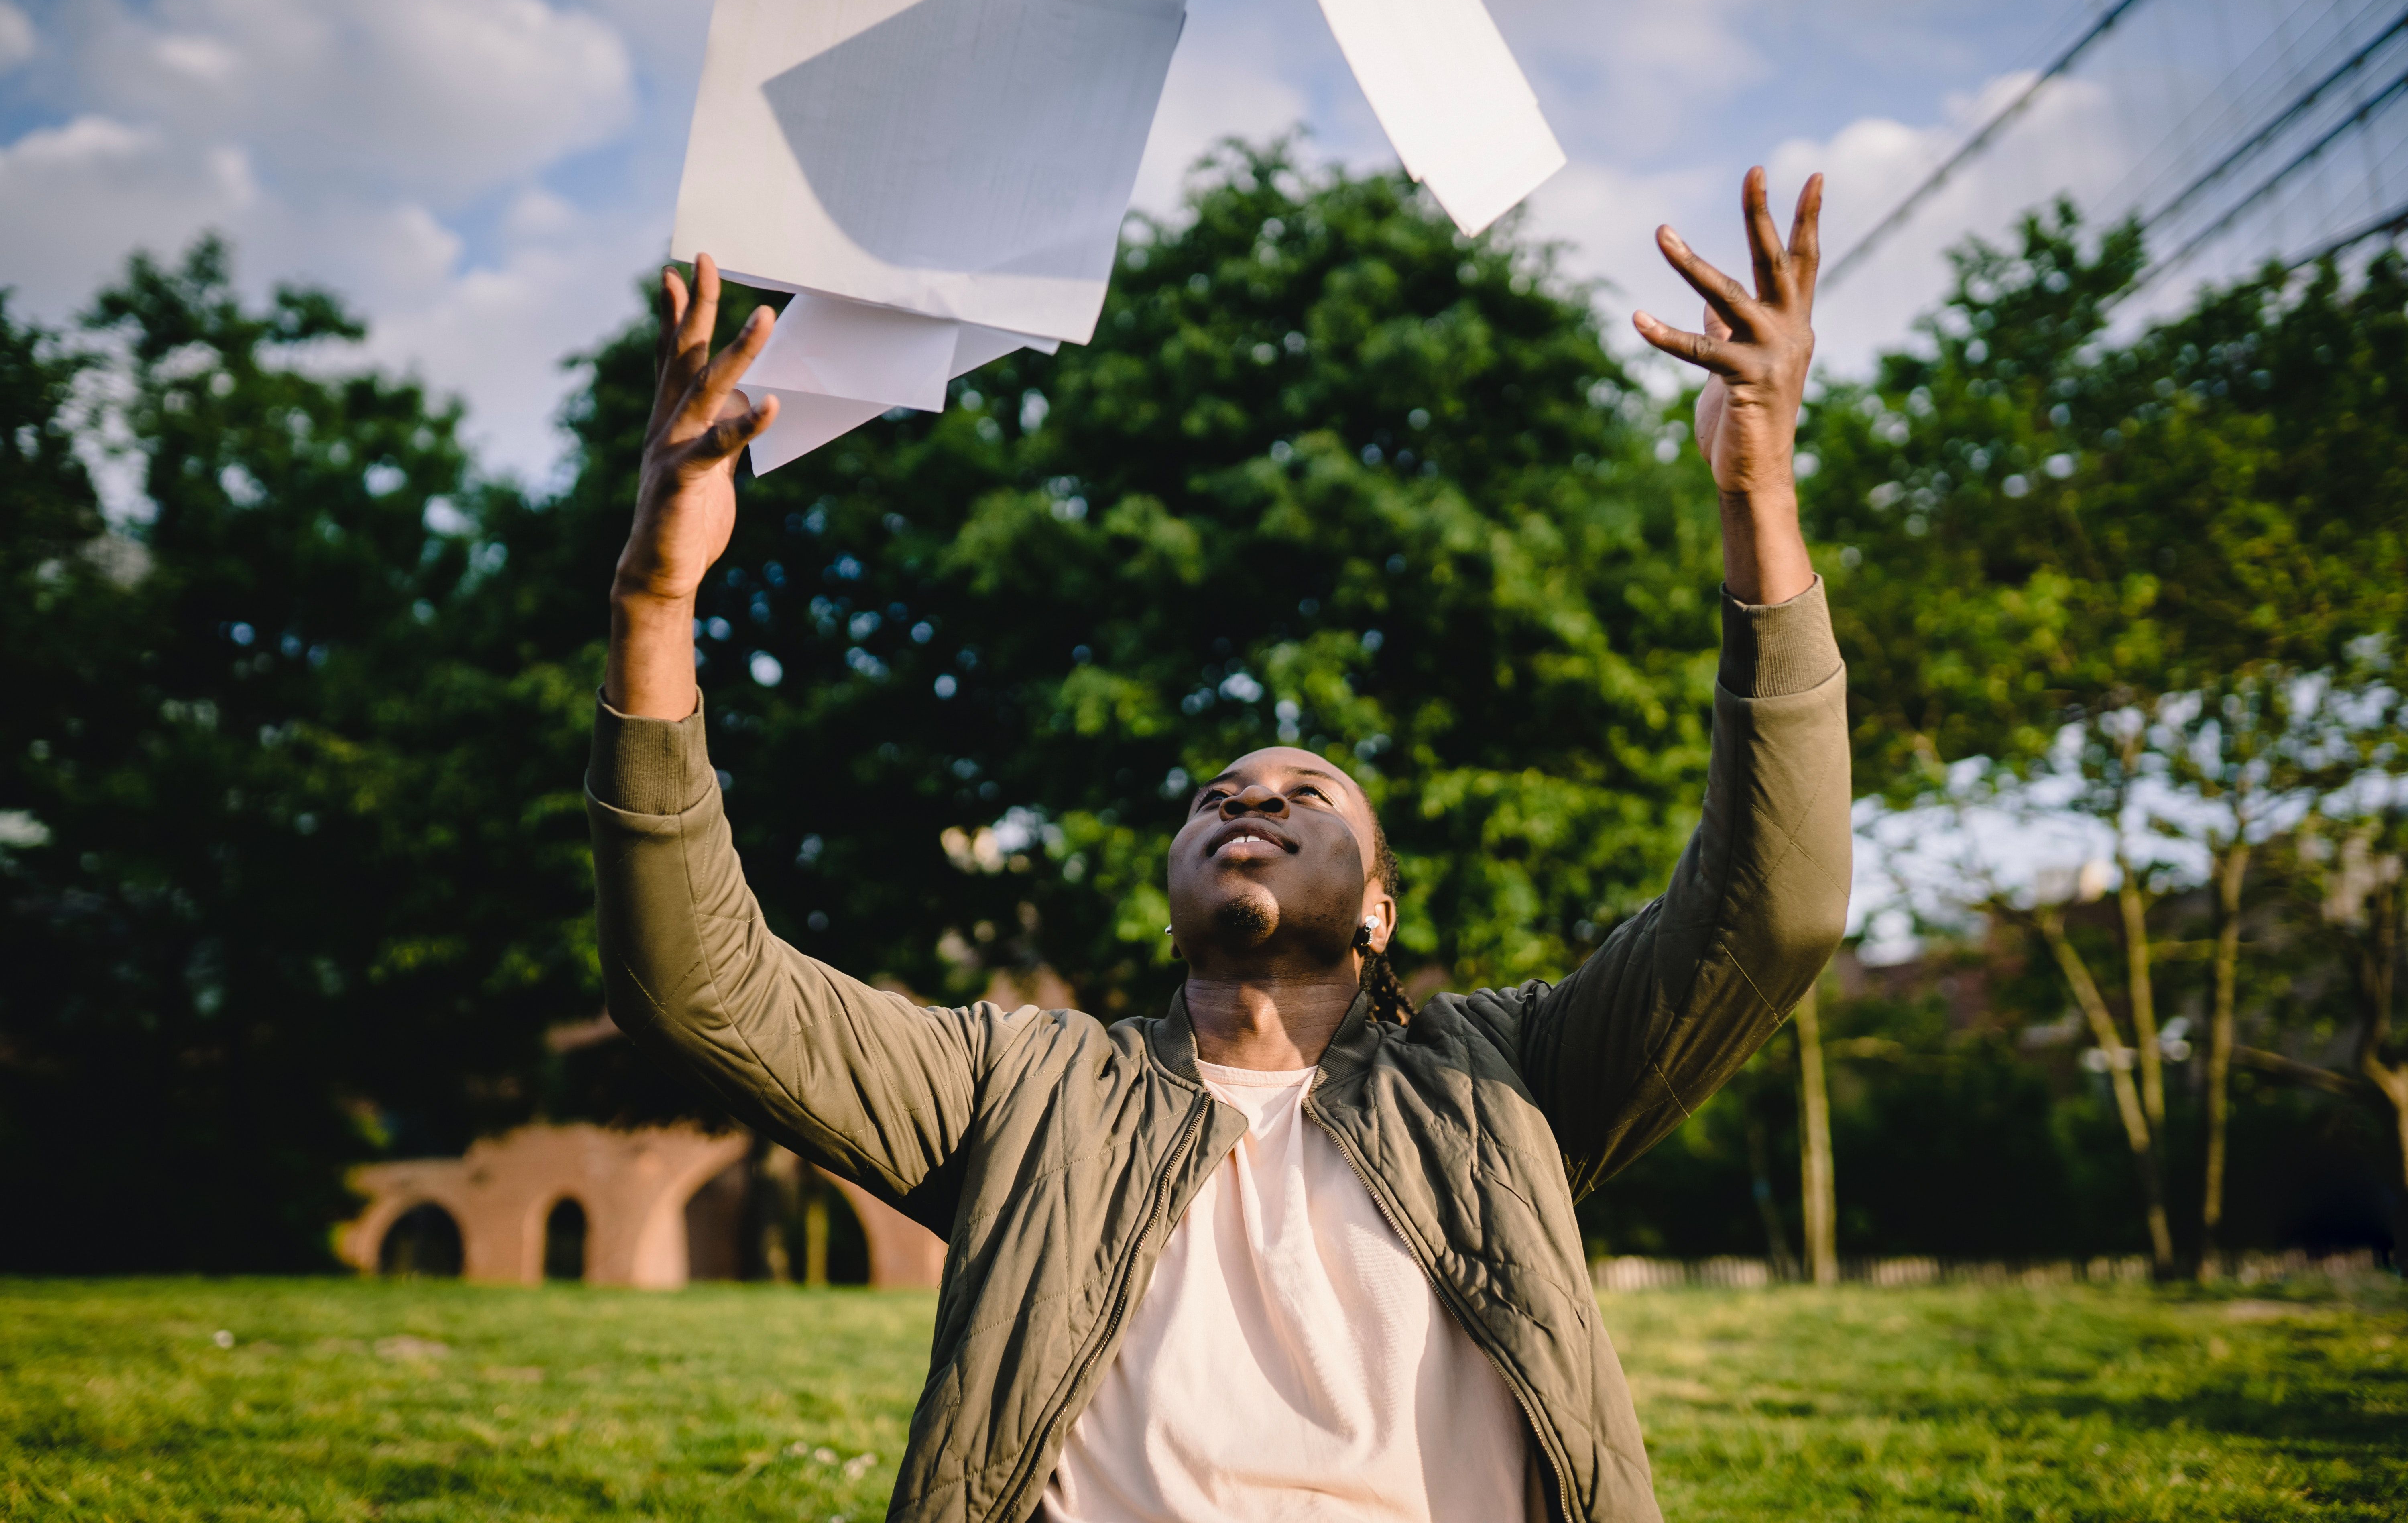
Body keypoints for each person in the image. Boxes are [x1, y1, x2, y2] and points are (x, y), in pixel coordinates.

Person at [587, 168, 1849, 1523]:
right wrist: (659, 600)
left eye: (1305, 791)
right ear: (1174, 888)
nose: (1249, 800)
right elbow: (703, 990)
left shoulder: (1512, 1084)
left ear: (1378, 911)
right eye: (1216, 795)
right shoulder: (1029, 1091)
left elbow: (1768, 913)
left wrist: (1758, 494)